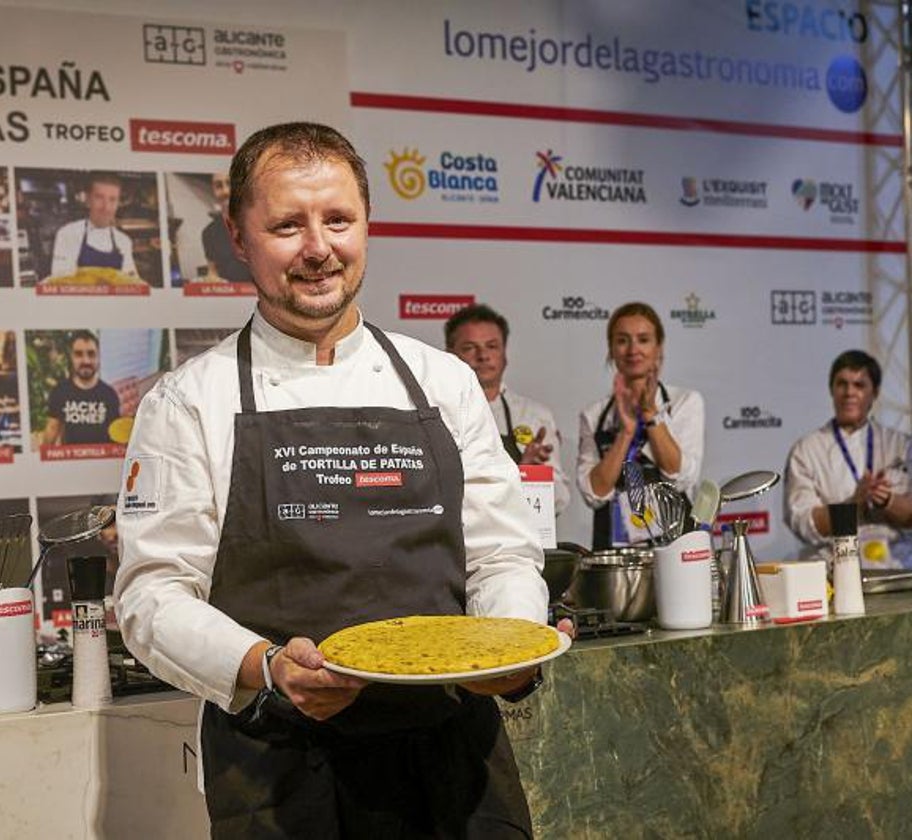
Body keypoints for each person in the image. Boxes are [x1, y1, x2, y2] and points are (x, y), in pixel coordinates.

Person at [115, 122, 549, 838]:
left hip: (452, 764)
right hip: (283, 772)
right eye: (287, 224)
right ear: (238, 235)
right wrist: (266, 664)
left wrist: (509, 646)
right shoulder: (190, 400)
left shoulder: (443, 382)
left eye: (338, 220)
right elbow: (151, 595)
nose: (318, 249)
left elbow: (502, 554)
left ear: (367, 225)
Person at [576, 302, 704, 549]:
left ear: (659, 348)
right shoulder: (593, 415)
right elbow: (595, 492)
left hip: (674, 550)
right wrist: (626, 433)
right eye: (622, 340)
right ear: (611, 349)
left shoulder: (685, 402)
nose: (633, 349)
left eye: (643, 340)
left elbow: (680, 477)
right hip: (615, 558)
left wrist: (649, 413)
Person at [784, 350, 912, 568]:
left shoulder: (901, 444)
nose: (849, 392)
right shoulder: (806, 450)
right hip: (835, 569)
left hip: (898, 566)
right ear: (831, 390)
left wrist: (887, 501)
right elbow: (803, 524)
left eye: (860, 385)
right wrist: (853, 505)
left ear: (875, 393)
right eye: (842, 384)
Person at [446, 303, 571, 514]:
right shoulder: (436, 415)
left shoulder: (535, 416)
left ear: (505, 354)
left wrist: (532, 475)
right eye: (469, 347)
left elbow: (559, 500)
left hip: (522, 542)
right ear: (449, 355)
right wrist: (517, 475)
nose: (483, 356)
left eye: (492, 346)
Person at [49, 172, 138, 278]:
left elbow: (132, 281)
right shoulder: (68, 234)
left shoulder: (123, 241)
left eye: (112, 199)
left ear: (118, 203)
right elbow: (61, 281)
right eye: (99, 198)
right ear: (87, 200)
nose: (106, 207)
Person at [41, 330, 121, 446]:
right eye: (79, 354)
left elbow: (116, 438)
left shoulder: (110, 395)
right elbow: (52, 429)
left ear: (98, 357)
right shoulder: (59, 392)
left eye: (91, 354)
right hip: (69, 462)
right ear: (71, 357)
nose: (86, 361)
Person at [201, 171, 252, 283]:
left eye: (230, 184)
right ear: (213, 191)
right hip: (229, 297)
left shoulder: (259, 224)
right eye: (219, 186)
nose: (225, 191)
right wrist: (211, 278)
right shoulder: (209, 232)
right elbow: (212, 271)